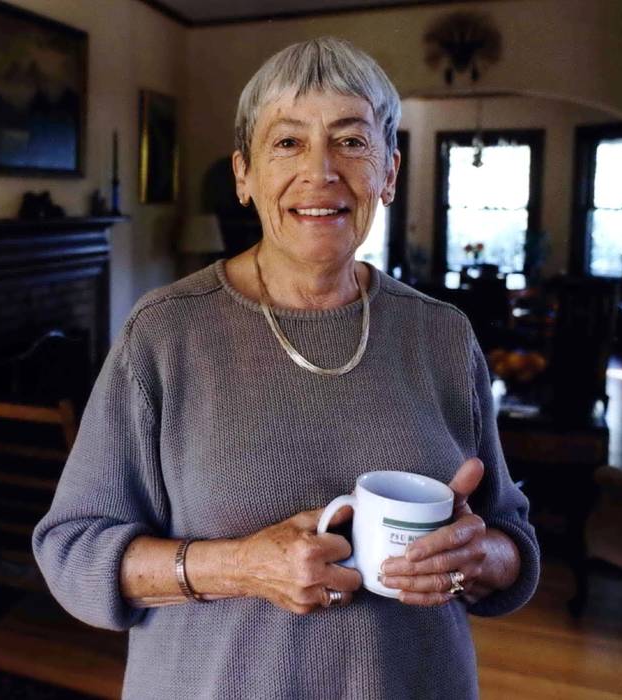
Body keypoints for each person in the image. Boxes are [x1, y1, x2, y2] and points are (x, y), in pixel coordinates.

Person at [33, 37, 539, 699]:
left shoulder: (442, 334)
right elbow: (70, 551)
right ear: (244, 175)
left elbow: (511, 537)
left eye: (351, 141)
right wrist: (241, 566)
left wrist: (480, 557)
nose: (320, 171)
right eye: (288, 142)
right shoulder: (164, 333)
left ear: (389, 172)